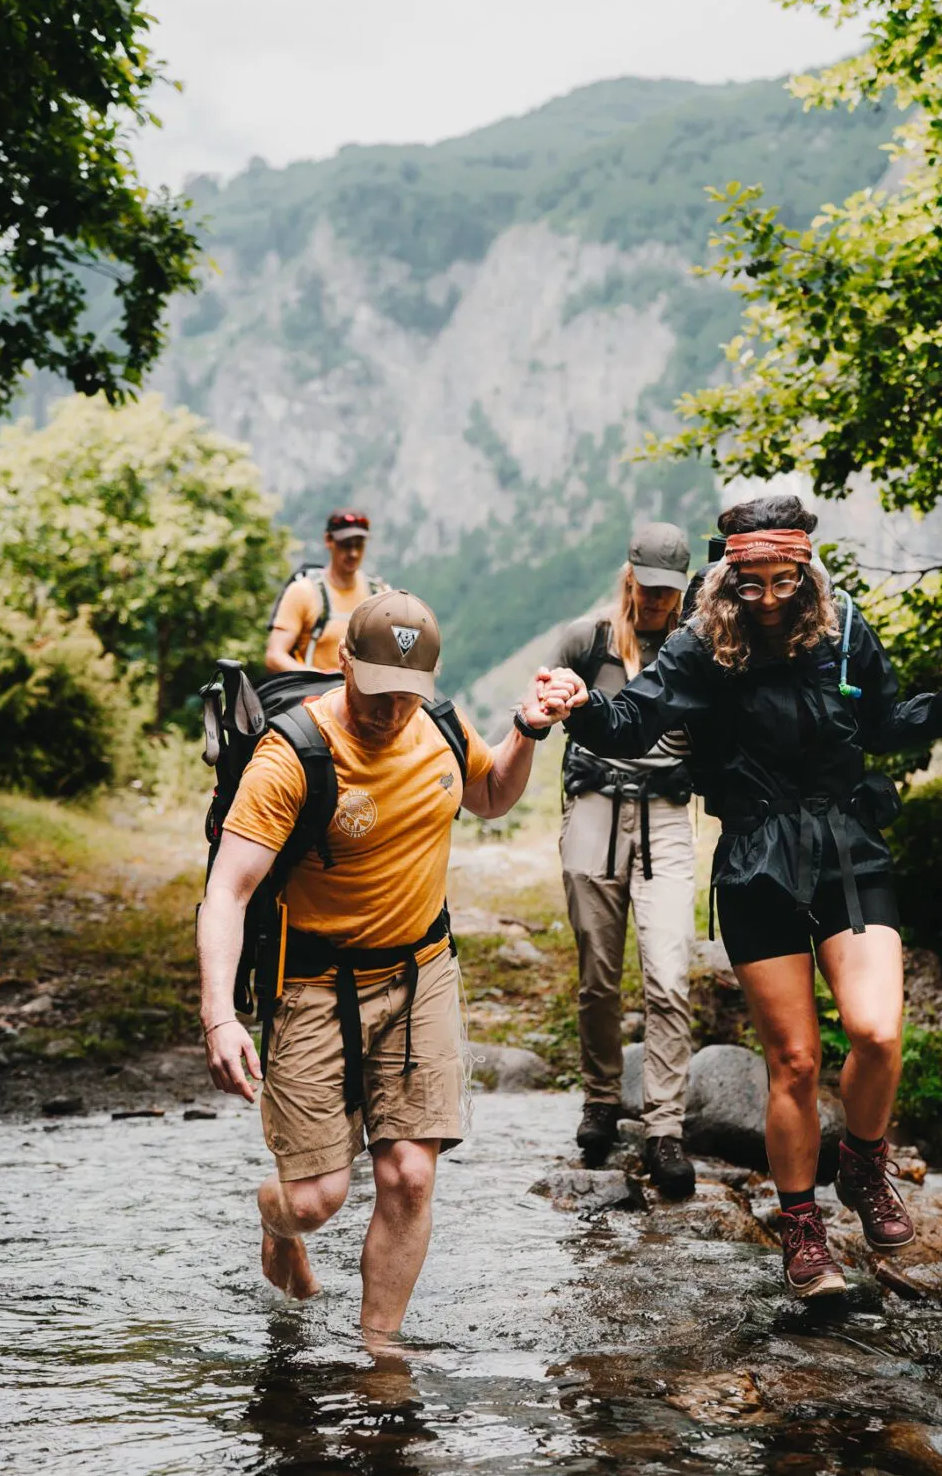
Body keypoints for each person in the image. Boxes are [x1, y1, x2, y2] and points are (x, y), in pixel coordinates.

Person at [545, 495, 942, 1298]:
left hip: (848, 850)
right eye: (750, 585)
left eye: (784, 580)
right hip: (755, 860)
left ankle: (861, 1164)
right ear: (728, 575)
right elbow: (631, 723)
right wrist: (580, 706)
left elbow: (886, 722)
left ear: (806, 566)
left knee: (877, 1032)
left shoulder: (846, 628)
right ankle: (802, 1232)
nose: (769, 599)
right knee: (793, 1060)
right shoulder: (699, 645)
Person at [198, 589, 560, 1341]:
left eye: (408, 695)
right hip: (313, 985)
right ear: (342, 663)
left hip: (421, 972)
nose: (392, 710)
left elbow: (490, 794)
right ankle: (278, 1222)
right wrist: (219, 1015)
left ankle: (379, 1358)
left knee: (409, 1175)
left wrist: (526, 731)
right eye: (377, 691)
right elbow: (228, 892)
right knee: (314, 1199)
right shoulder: (291, 756)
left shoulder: (438, 724)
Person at [551, 523, 698, 1199]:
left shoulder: (700, 647)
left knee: (669, 974)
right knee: (598, 976)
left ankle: (665, 1126)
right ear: (629, 576)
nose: (659, 602)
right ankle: (602, 1102)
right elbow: (551, 703)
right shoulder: (587, 641)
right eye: (650, 587)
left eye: (671, 590)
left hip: (667, 814)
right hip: (594, 806)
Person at [265, 509, 385, 673]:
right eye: (346, 545)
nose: (353, 553)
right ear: (328, 540)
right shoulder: (303, 592)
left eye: (359, 545)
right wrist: (321, 677)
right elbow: (274, 656)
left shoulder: (379, 594)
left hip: (367, 693)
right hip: (315, 693)